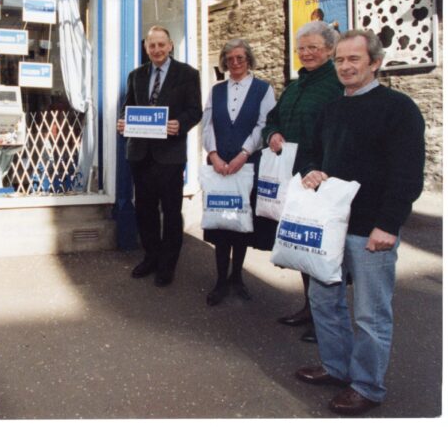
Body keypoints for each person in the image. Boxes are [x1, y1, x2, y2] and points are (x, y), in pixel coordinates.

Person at [295, 29, 424, 416]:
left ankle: (367, 386)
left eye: (354, 59)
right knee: (324, 301)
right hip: (330, 227)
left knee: (370, 314)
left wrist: (388, 224)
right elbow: (310, 153)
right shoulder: (331, 108)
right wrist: (311, 171)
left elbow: (407, 174)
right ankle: (336, 367)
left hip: (371, 231)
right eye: (340, 60)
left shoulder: (399, 109)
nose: (346, 66)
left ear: (375, 63)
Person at [262, 20, 343, 342]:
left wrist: (325, 171)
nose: (306, 54)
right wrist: (273, 134)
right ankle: (310, 309)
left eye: (313, 48)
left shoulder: (336, 85)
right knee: (305, 248)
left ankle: (326, 322)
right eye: (302, 49)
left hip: (323, 179)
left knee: (325, 253)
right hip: (294, 179)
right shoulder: (295, 86)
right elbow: (273, 120)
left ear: (329, 49)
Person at [117, 25, 202, 286]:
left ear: (170, 45)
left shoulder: (187, 74)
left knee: (171, 211)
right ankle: (151, 256)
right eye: (152, 45)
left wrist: (180, 124)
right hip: (141, 154)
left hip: (170, 155)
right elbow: (128, 107)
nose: (157, 50)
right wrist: (123, 122)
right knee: (145, 210)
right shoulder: (135, 75)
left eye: (161, 45)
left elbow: (195, 110)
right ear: (146, 48)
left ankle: (168, 264)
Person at [201, 39, 276, 305]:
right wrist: (213, 155)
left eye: (240, 58)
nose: (234, 63)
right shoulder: (216, 89)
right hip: (219, 165)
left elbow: (264, 125)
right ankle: (221, 280)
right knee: (221, 221)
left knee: (242, 222)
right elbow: (207, 124)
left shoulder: (263, 89)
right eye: (229, 59)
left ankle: (237, 277)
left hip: (247, 165)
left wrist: (244, 153)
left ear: (248, 60)